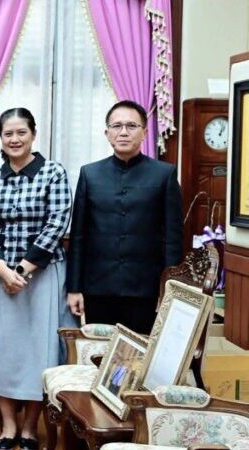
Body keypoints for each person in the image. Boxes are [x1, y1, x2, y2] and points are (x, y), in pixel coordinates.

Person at [0, 107, 76, 450]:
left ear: (33, 134)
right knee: (5, 351)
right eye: (8, 134)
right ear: (0, 139)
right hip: (1, 276)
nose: (14, 139)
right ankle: (8, 425)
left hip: (44, 275)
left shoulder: (53, 172)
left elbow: (56, 224)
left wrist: (22, 269)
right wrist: (3, 269)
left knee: (41, 350)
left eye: (21, 132)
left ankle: (31, 426)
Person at [66, 100, 183, 334]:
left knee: (139, 355)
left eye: (131, 126)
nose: (123, 132)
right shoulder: (90, 174)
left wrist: (168, 288)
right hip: (98, 285)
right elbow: (78, 236)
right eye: (117, 126)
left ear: (144, 132)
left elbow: (173, 238)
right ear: (107, 133)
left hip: (146, 287)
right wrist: (74, 287)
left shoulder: (164, 174)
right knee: (99, 354)